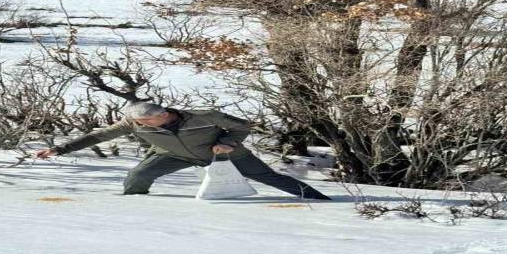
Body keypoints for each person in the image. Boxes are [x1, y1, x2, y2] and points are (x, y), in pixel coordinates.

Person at [35, 102, 331, 200]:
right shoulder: (132, 122)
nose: (137, 126)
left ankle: (321, 201)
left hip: (223, 153)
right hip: (172, 154)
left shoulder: (205, 116)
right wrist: (60, 149)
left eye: (144, 122)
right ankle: (136, 206)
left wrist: (228, 142)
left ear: (163, 115)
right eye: (137, 123)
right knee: (138, 175)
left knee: (272, 178)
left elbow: (242, 126)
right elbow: (99, 135)